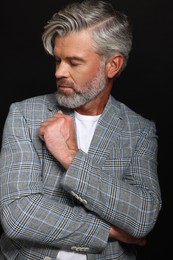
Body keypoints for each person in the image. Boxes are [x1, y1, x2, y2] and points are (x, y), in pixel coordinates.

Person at [0, 0, 162, 259]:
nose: (59, 72)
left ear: (113, 65)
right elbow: (19, 215)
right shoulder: (24, 114)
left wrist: (70, 157)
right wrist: (110, 229)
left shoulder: (139, 130)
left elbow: (142, 217)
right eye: (57, 60)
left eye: (74, 62)